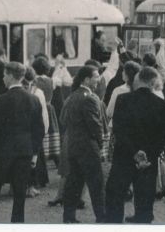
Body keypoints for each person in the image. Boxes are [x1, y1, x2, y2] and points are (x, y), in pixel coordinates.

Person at [0, 62, 44, 223]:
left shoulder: (0, 100)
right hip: (25, 152)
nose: (3, 78)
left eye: (5, 75)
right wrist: (34, 154)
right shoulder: (33, 99)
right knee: (19, 197)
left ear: (11, 76)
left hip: (2, 154)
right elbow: (38, 131)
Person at [104, 66, 165, 223]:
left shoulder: (123, 99)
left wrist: (134, 152)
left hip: (124, 157)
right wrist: (148, 156)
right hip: (148, 161)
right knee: (145, 202)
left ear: (138, 80)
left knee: (115, 196)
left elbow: (119, 131)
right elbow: (162, 137)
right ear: (153, 82)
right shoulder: (161, 104)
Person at [60, 65, 106, 223]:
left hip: (73, 146)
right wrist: (100, 144)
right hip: (88, 147)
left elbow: (63, 120)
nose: (98, 79)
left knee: (74, 183)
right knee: (96, 184)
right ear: (87, 79)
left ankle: (69, 217)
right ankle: (101, 218)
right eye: (96, 76)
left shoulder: (72, 96)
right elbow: (95, 126)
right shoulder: (90, 98)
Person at [23, 66, 50, 196]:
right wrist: (45, 128)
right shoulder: (38, 92)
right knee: (34, 157)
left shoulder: (29, 92)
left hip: (26, 129)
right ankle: (32, 185)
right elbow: (43, 112)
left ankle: (28, 184)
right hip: (35, 129)